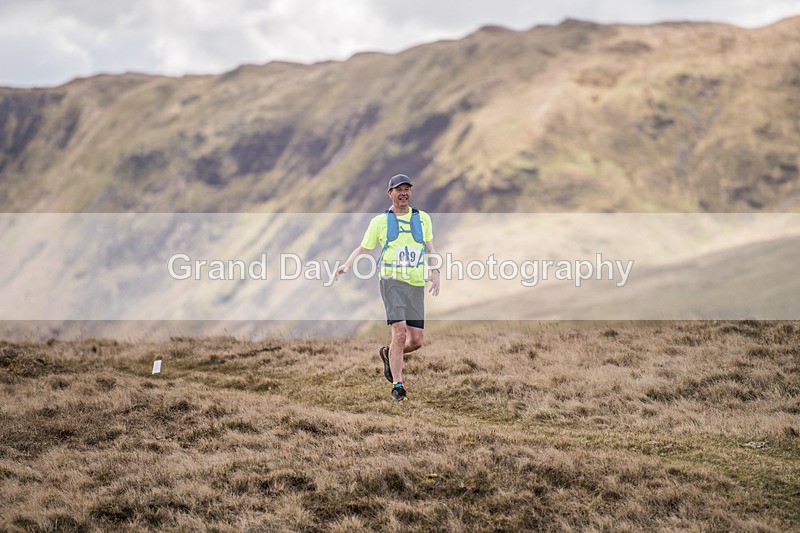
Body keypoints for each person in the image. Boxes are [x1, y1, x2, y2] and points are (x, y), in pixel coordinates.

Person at [335, 173, 440, 402]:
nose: (403, 193)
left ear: (410, 192)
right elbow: (364, 248)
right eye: (398, 189)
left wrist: (436, 272)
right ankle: (398, 386)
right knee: (400, 333)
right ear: (390, 193)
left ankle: (388, 352)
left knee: (416, 341)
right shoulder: (379, 222)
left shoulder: (423, 219)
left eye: (407, 189)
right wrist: (346, 264)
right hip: (391, 281)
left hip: (415, 284)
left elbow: (430, 249)